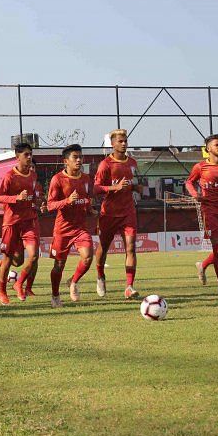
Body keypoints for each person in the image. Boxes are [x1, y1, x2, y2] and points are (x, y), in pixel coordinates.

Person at [47, 144, 120, 307]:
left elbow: (87, 200)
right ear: (66, 161)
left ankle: (73, 282)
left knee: (87, 257)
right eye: (75, 157)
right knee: (58, 265)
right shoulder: (57, 179)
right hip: (62, 230)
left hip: (80, 228)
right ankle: (55, 295)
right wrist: (67, 201)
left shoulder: (86, 179)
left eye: (81, 157)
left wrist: (91, 210)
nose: (79, 160)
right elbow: (50, 205)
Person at [185, 134, 218, 296]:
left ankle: (202, 265)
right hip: (209, 211)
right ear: (208, 149)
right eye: (216, 145)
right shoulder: (200, 167)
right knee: (217, 248)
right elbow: (189, 182)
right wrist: (195, 194)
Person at [94, 129, 143, 300]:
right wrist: (115, 187)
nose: (124, 144)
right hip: (109, 213)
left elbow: (136, 182)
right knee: (103, 248)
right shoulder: (105, 165)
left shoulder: (133, 163)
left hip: (128, 212)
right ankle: (100, 275)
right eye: (120, 141)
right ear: (113, 144)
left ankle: (129, 287)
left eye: (125, 140)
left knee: (131, 248)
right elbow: (96, 188)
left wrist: (137, 187)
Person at [0, 142, 41, 305]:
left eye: (30, 154)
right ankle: (1, 291)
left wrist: (38, 202)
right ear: (17, 157)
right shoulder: (9, 176)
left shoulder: (33, 176)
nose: (29, 157)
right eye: (26, 155)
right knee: (9, 260)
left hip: (29, 221)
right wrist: (16, 198)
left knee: (34, 255)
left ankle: (19, 283)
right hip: (12, 223)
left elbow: (33, 196)